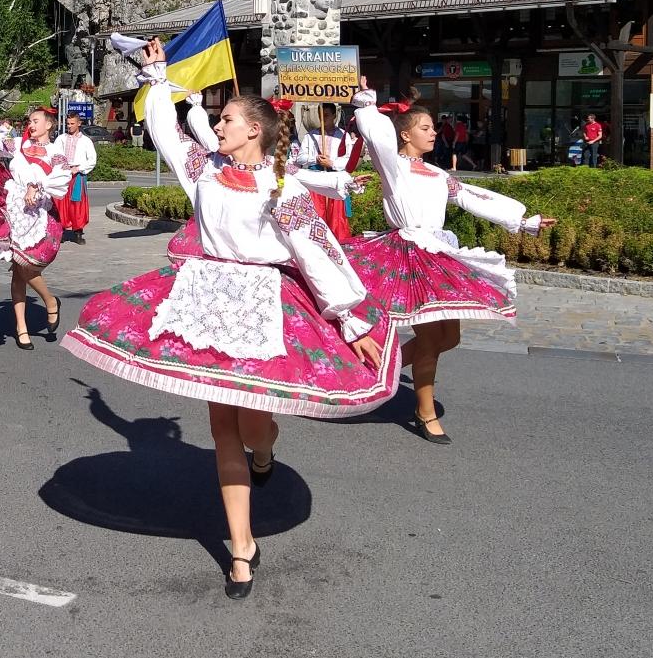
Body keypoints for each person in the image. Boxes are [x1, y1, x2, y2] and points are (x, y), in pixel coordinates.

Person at [63, 39, 396, 600]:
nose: (217, 128)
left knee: (254, 424)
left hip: (266, 303)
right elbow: (166, 129)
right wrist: (156, 74)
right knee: (222, 427)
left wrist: (353, 323)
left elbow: (317, 251)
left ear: (254, 132)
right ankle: (241, 546)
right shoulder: (203, 169)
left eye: (226, 121)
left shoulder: (281, 186)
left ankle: (264, 448)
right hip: (205, 295)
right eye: (218, 121)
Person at [346, 80, 554, 444]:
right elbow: (378, 136)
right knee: (430, 337)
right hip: (408, 253)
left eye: (431, 128)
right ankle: (424, 411)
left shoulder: (439, 174)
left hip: (439, 254)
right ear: (406, 136)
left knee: (450, 337)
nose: (432, 133)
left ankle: (382, 364)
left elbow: (474, 197)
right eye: (425, 128)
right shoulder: (394, 166)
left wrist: (522, 221)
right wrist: (365, 105)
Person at [0, 109, 73, 348]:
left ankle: (50, 300)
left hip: (40, 213)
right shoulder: (19, 146)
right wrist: (0, 126)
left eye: (36, 121)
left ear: (50, 125)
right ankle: (21, 328)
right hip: (14, 210)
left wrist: (37, 185)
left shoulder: (55, 152)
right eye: (29, 121)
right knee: (17, 268)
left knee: (26, 264)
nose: (31, 125)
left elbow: (63, 178)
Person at [297, 103, 353, 241]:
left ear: (334, 116)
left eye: (326, 115)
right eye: (320, 115)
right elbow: (301, 158)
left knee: (336, 219)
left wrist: (332, 163)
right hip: (316, 181)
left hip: (334, 180)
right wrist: (315, 158)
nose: (323, 119)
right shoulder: (311, 136)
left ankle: (339, 245)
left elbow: (348, 160)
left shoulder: (343, 136)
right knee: (316, 215)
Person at [51, 111, 97, 244]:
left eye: (72, 124)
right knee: (61, 203)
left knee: (77, 203)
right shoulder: (61, 139)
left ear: (79, 123)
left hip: (78, 176)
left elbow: (92, 160)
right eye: (68, 124)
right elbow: (55, 156)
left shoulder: (86, 141)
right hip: (63, 174)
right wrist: (62, 168)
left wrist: (79, 168)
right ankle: (63, 230)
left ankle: (78, 232)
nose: (69, 126)